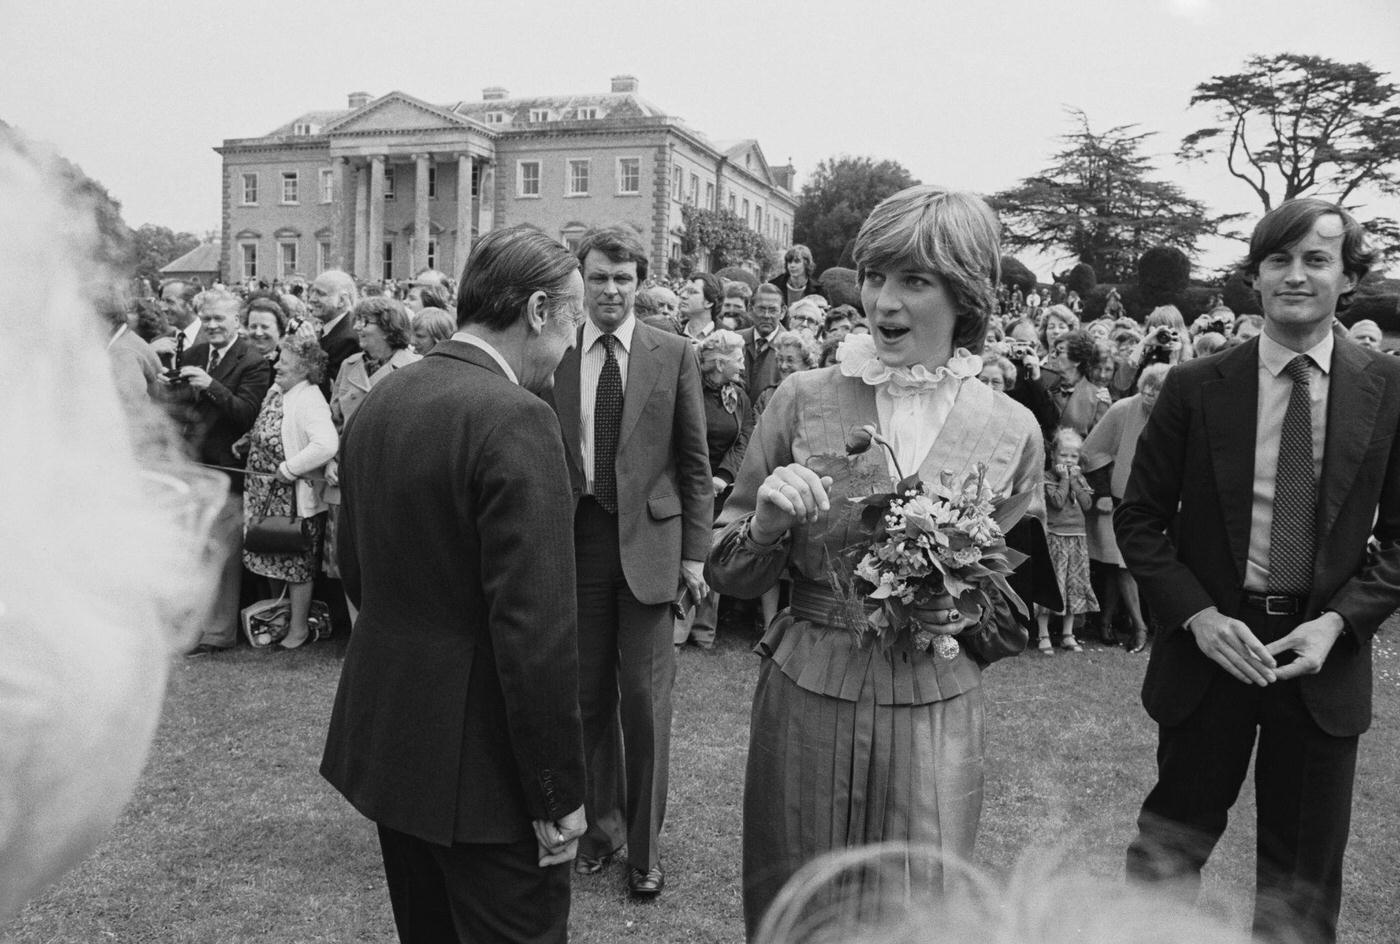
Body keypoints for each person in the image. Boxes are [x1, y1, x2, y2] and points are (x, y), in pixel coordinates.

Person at [707, 186, 1045, 938]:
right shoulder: (800, 399)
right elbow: (727, 572)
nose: (884, 302)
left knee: (920, 906)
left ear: (965, 295)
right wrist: (764, 523)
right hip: (808, 689)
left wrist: (953, 605)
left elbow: (1007, 601)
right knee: (798, 896)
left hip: (935, 701)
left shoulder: (1013, 429)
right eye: (875, 277)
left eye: (914, 282)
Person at [1115, 199, 1400, 944]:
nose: (1296, 275)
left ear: (1348, 278)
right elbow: (1138, 519)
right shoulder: (1193, 385)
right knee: (1166, 856)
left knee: (1301, 890)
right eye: (1279, 259)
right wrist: (1200, 618)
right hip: (1210, 655)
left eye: (1316, 259)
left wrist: (1339, 624)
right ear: (1256, 275)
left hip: (1320, 666)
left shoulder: (1389, 389)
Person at [321, 225, 588, 944]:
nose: (570, 346)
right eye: (573, 321)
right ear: (538, 310)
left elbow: (354, 567)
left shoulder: (383, 397)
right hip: (487, 777)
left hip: (398, 747)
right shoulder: (517, 418)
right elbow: (534, 630)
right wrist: (557, 791)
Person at [549, 226, 712, 899]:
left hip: (651, 546)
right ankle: (601, 830)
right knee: (585, 701)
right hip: (577, 541)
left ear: (641, 282)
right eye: (599, 277)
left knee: (644, 706)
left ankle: (644, 851)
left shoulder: (673, 353)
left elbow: (695, 466)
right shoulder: (555, 354)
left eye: (623, 278)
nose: (611, 290)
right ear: (580, 280)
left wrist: (696, 554)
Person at [161, 289, 273, 654]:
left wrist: (210, 386)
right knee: (194, 550)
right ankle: (194, 627)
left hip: (228, 468)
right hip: (193, 466)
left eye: (218, 319)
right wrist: (170, 389)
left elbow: (246, 413)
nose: (211, 325)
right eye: (206, 319)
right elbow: (183, 412)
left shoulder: (253, 361)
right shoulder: (193, 353)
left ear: (236, 322)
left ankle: (220, 633)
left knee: (222, 551)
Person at [237, 335, 337, 650]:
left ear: (305, 368)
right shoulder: (277, 390)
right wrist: (246, 440)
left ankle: (298, 629)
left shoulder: (309, 399)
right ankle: (276, 618)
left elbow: (326, 444)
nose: (277, 364)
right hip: (263, 493)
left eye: (285, 361)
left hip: (291, 497)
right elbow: (268, 427)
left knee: (295, 564)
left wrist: (290, 468)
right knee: (269, 556)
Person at [674, 328, 753, 651]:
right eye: (738, 359)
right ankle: (677, 631)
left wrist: (723, 475)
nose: (743, 367)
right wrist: (701, 477)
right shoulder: (688, 390)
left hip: (720, 491)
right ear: (719, 363)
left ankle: (705, 631)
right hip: (687, 487)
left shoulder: (738, 395)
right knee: (686, 556)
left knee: (713, 556)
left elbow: (744, 435)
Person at [1082, 363, 1166, 653]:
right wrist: (1103, 491)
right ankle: (1139, 626)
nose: (1150, 395)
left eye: (1158, 390)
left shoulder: (1178, 411)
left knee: (1135, 563)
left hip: (1161, 499)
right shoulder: (1122, 409)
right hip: (1120, 498)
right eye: (1147, 388)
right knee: (1122, 564)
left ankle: (1109, 620)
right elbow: (1092, 451)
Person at [1036, 428, 1098, 655]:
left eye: (1073, 456)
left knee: (1074, 584)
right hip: (1055, 538)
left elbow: (1087, 504)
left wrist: (1075, 482)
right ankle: (1043, 633)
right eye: (1064, 455)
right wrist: (1064, 479)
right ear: (1053, 455)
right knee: (1052, 584)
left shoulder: (1079, 478)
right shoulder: (1047, 478)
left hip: (1077, 538)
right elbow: (1058, 502)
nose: (1069, 460)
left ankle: (1067, 633)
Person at [1046, 329, 1109, 437]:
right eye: (1053, 351)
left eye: (1059, 351)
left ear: (1077, 361)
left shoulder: (1098, 397)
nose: (1052, 356)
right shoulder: (1043, 384)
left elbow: (1097, 441)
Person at [308, 269, 360, 392]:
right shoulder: (334, 327)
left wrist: (310, 347)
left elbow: (327, 388)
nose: (312, 299)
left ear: (342, 300)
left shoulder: (347, 338)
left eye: (320, 294)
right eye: (312, 292)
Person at [742, 283, 787, 403]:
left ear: (782, 312)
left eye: (773, 310)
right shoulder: (736, 341)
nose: (766, 316)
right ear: (750, 309)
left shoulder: (790, 347)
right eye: (761, 309)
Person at [242, 292, 289, 364]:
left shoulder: (287, 363)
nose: (258, 333)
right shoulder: (238, 360)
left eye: (265, 327)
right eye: (253, 326)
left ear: (279, 329)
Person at [680, 271, 721, 342]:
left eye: (692, 292)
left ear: (709, 302)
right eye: (684, 291)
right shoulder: (674, 331)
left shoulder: (727, 337)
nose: (683, 295)